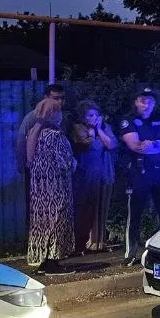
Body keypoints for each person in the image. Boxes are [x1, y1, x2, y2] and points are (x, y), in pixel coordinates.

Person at [119, 88, 160, 267]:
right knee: (135, 214)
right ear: (136, 102)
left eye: (150, 101)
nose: (147, 104)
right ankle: (131, 253)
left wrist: (155, 144)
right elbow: (136, 146)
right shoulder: (129, 120)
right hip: (139, 172)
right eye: (143, 100)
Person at [26, 98, 76, 275]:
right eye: (59, 111)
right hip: (56, 188)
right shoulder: (55, 136)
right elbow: (65, 162)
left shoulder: (34, 133)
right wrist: (74, 162)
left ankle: (43, 262)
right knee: (57, 222)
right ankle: (54, 262)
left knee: (42, 224)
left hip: (39, 191)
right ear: (53, 114)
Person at [16, 84, 66, 225]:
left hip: (53, 172)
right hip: (36, 169)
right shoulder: (35, 117)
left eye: (62, 98)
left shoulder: (59, 116)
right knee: (35, 206)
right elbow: (22, 141)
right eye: (55, 98)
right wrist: (25, 165)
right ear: (46, 97)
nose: (60, 102)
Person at [71, 100, 116, 254]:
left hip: (103, 174)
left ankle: (98, 242)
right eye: (90, 115)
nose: (94, 118)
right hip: (86, 176)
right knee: (84, 209)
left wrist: (99, 129)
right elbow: (88, 145)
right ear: (83, 117)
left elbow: (111, 144)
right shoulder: (78, 128)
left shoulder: (104, 127)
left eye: (96, 115)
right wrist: (93, 134)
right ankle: (79, 244)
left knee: (101, 208)